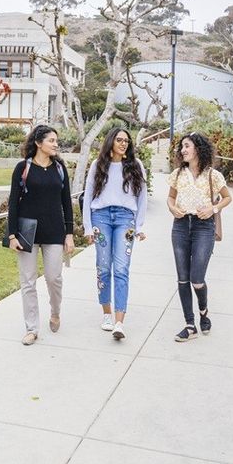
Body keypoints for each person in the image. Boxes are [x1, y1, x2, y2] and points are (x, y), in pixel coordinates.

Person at [6, 124, 75, 345]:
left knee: (54, 278)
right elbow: (13, 203)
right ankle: (32, 328)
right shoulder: (22, 168)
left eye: (56, 140)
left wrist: (70, 233)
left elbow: (67, 203)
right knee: (28, 281)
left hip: (54, 231)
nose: (56, 144)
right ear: (38, 143)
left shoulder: (59, 169)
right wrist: (12, 235)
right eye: (51, 140)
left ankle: (55, 311)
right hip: (27, 233)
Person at [167, 132, 232, 342]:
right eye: (182, 147)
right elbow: (170, 198)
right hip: (180, 227)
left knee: (197, 279)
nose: (183, 150)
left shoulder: (213, 175)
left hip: (203, 228)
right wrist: (172, 208)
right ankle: (189, 325)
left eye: (187, 146)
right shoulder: (177, 174)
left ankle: (203, 311)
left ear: (198, 148)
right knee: (182, 278)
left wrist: (213, 208)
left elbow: (227, 197)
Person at [84, 127, 148, 340]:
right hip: (100, 217)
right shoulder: (98, 165)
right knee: (103, 268)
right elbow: (87, 197)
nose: (123, 144)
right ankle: (107, 315)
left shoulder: (135, 166)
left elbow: (142, 198)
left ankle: (120, 321)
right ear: (111, 141)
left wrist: (139, 226)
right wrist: (86, 227)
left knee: (121, 268)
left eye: (126, 141)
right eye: (119, 140)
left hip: (125, 219)